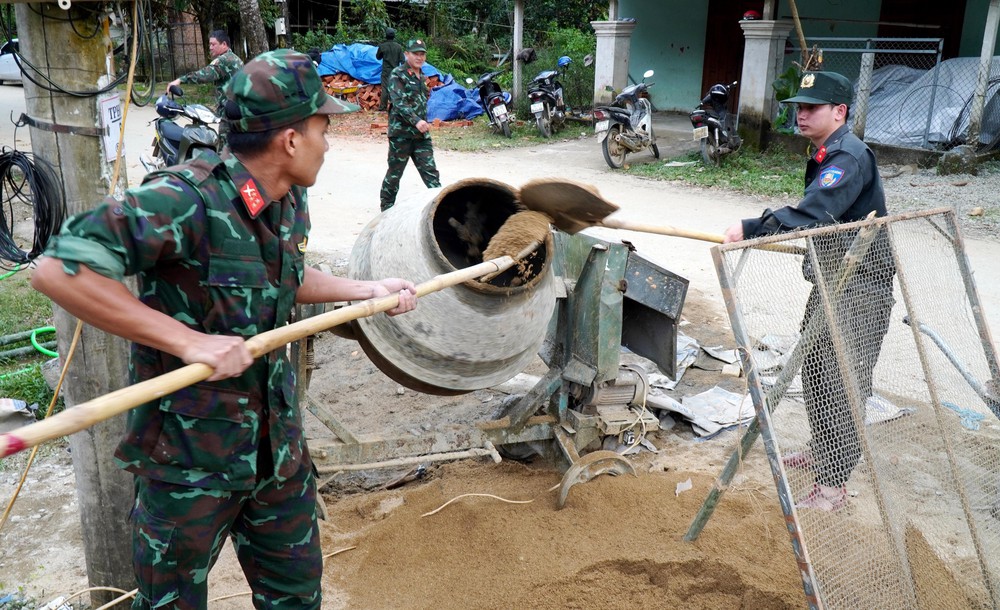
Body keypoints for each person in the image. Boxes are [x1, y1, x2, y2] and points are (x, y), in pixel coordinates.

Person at [31, 49, 418, 608]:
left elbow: (284, 273)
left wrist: (365, 289)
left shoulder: (287, 197)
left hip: (274, 454)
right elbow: (60, 268)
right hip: (190, 464)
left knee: (296, 597)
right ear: (290, 139)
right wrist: (187, 341)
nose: (328, 143)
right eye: (323, 128)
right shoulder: (186, 198)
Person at [723, 71, 895, 512]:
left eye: (811, 107)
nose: (800, 114)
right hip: (833, 279)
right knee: (815, 368)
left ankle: (833, 487)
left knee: (841, 383)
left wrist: (751, 228)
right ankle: (823, 451)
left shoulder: (849, 157)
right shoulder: (826, 151)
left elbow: (815, 211)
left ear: (839, 111)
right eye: (799, 106)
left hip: (860, 288)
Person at [379, 38, 442, 211]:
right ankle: (386, 209)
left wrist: (422, 123)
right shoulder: (397, 75)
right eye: (415, 53)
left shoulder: (422, 76)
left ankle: (441, 208)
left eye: (422, 54)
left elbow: (420, 103)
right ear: (407, 54)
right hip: (401, 135)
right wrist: (416, 121)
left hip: (421, 136)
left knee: (431, 174)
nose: (419, 57)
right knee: (395, 174)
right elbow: (399, 103)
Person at [168, 30, 244, 115]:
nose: (210, 47)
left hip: (228, 112)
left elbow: (204, 75)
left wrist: (181, 80)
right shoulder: (236, 59)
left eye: (213, 44)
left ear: (224, 44)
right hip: (239, 109)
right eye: (210, 44)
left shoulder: (223, 60)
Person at [376, 27, 405, 111]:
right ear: (394, 36)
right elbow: (403, 61)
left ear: (386, 36)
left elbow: (378, 57)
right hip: (395, 71)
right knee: (395, 89)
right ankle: (394, 107)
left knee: (385, 88)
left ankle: (382, 107)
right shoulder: (398, 47)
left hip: (386, 71)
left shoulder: (382, 46)